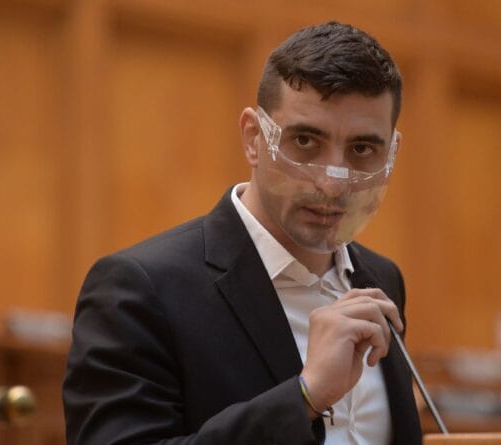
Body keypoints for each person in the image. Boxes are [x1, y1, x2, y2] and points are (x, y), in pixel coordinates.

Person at [63, 21, 422, 444]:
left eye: (362, 149)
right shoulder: (139, 288)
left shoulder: (383, 279)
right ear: (254, 138)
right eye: (305, 142)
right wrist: (304, 397)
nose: (331, 184)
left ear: (390, 152)